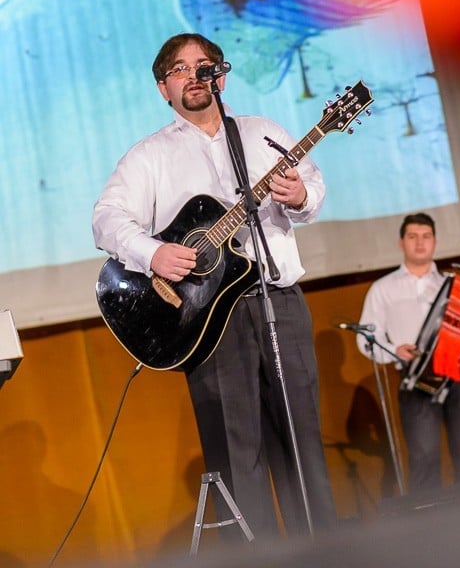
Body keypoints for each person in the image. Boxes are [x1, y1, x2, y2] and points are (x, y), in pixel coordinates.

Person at [92, 32, 336, 539]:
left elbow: (312, 188)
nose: (194, 75)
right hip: (206, 321)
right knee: (236, 448)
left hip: (280, 301)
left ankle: (325, 548)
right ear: (164, 89)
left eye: (203, 65)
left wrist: (297, 194)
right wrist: (152, 252)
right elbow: (107, 220)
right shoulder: (149, 157)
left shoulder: (261, 131)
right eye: (180, 69)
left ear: (220, 76)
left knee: (302, 437)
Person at [356, 212, 460, 497]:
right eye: (412, 237)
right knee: (423, 458)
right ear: (401, 242)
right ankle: (433, 533)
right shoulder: (383, 289)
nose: (420, 243)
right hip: (415, 378)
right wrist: (393, 351)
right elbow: (366, 338)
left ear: (435, 241)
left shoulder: (457, 286)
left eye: (426, 236)